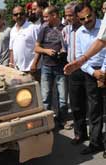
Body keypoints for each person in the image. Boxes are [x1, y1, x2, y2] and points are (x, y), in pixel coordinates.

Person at [73, 2, 106, 156]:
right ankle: (95, 143)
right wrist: (94, 73)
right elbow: (80, 57)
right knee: (94, 110)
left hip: (104, 69)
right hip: (90, 73)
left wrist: (103, 71)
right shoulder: (79, 33)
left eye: (89, 16)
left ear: (94, 13)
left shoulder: (104, 26)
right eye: (82, 19)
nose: (87, 20)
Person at [34, 5, 69, 129]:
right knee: (45, 97)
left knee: (63, 98)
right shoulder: (43, 28)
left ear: (54, 15)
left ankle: (62, 120)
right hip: (47, 67)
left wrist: (64, 52)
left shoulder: (65, 29)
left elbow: (69, 46)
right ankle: (47, 122)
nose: (44, 19)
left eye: (46, 16)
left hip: (61, 67)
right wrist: (46, 51)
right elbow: (36, 48)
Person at [63, 1, 89, 145]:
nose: (68, 18)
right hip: (73, 70)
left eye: (71, 15)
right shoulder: (66, 30)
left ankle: (96, 135)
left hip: (87, 68)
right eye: (66, 16)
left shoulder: (87, 28)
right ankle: (80, 134)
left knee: (91, 104)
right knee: (76, 104)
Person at [9, 6, 40, 79]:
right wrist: (11, 63)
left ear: (25, 15)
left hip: (32, 69)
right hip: (17, 70)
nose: (18, 16)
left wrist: (34, 64)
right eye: (16, 14)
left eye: (21, 14)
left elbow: (39, 47)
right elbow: (11, 49)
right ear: (13, 17)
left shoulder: (33, 28)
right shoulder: (12, 30)